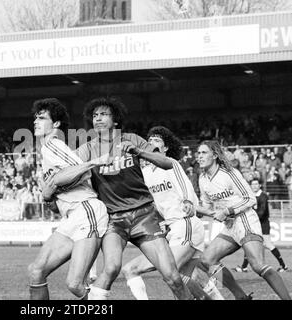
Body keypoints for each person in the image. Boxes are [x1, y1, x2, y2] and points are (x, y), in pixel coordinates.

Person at [74, 97, 193, 300]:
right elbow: (69, 170)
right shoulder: (87, 150)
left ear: (116, 120)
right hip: (113, 220)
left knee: (172, 277)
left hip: (144, 216)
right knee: (110, 269)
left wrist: (138, 151)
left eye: (104, 114)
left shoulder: (133, 139)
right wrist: (90, 164)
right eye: (95, 116)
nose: (98, 119)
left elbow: (166, 163)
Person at [120, 126, 223, 300]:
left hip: (185, 224)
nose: (151, 142)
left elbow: (185, 186)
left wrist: (188, 201)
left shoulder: (170, 163)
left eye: (157, 140)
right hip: (170, 230)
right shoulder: (144, 173)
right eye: (149, 140)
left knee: (170, 273)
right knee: (185, 277)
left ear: (166, 148)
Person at [27, 98, 109, 300]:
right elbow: (57, 203)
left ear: (55, 124)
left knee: (75, 284)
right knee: (36, 271)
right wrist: (48, 196)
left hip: (86, 211)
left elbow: (84, 174)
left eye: (42, 118)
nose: (36, 121)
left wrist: (53, 184)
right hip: (71, 217)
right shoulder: (47, 151)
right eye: (35, 118)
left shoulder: (52, 145)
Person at [195, 140, 290, 300]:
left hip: (245, 221)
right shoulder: (202, 179)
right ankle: (241, 297)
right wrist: (193, 209)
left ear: (215, 155)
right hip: (230, 226)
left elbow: (250, 199)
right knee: (206, 260)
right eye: (198, 153)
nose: (199, 156)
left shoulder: (230, 173)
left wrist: (227, 210)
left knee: (258, 265)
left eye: (204, 152)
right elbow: (208, 207)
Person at [235, 178, 288, 273]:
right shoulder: (251, 196)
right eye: (253, 184)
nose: (254, 186)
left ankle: (283, 265)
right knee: (249, 243)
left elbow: (262, 212)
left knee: (268, 244)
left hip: (263, 223)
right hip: (255, 223)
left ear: (259, 185)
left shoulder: (263, 196)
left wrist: (251, 217)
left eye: (256, 184)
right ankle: (244, 267)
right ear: (250, 186)